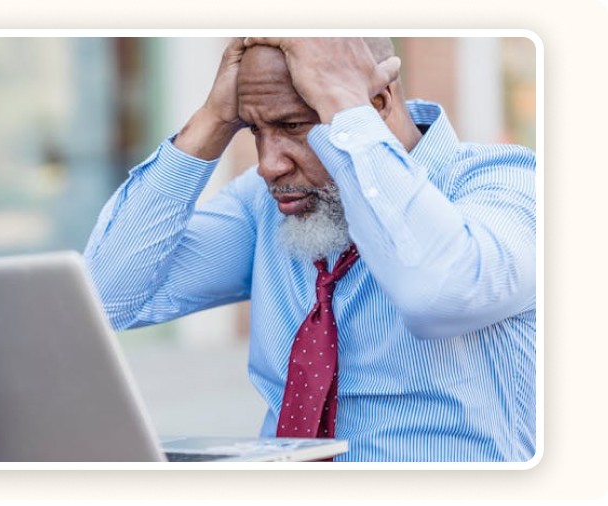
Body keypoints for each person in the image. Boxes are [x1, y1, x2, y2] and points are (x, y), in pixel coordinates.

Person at [83, 37, 536, 462]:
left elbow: (438, 294)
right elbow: (103, 300)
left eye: (294, 126)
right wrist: (211, 121)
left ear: (376, 104)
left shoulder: (509, 185)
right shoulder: (267, 206)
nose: (268, 164)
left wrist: (344, 106)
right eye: (253, 130)